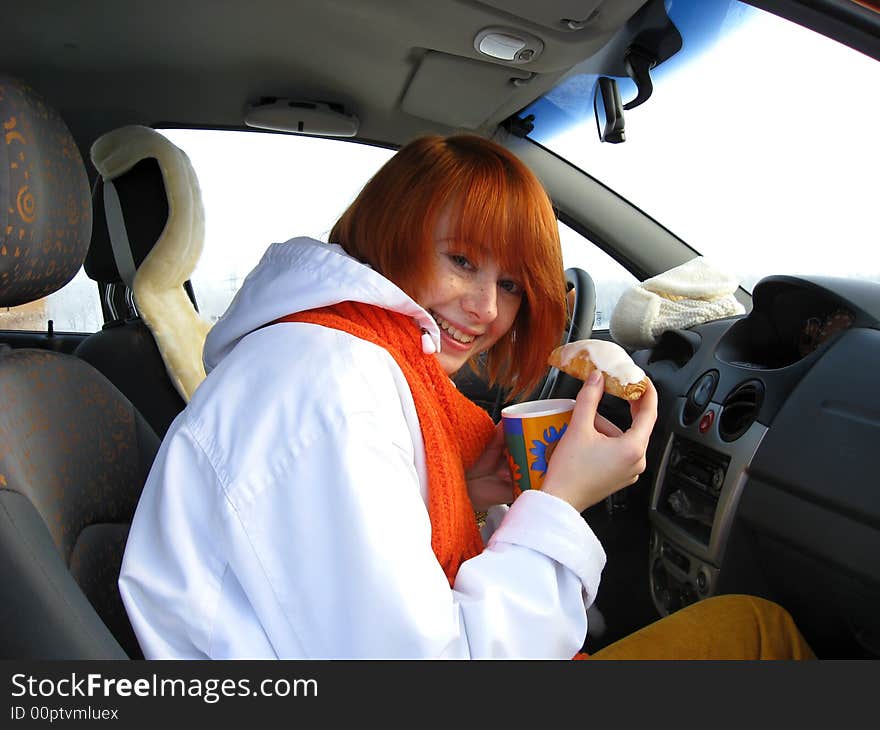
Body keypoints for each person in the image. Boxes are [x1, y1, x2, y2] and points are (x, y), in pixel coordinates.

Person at [118, 134, 812, 660]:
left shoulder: (339, 358)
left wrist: (463, 484)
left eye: (511, 284)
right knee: (760, 630)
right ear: (391, 234)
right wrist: (559, 505)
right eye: (461, 261)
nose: (485, 309)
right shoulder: (329, 386)